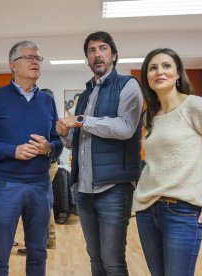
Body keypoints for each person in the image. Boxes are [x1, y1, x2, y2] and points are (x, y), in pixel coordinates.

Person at [133, 48, 202, 276]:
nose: (159, 71)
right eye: (153, 68)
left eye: (166, 66)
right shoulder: (150, 115)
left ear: (178, 73)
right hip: (147, 210)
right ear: (147, 78)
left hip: (182, 211)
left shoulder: (194, 106)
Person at [56, 31, 143, 275]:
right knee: (95, 259)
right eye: (92, 51)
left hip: (113, 189)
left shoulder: (128, 85)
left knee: (113, 262)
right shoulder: (85, 95)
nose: (97, 55)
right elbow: (75, 142)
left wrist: (81, 120)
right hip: (83, 190)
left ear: (114, 55)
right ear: (87, 59)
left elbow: (125, 128)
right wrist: (63, 131)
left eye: (103, 49)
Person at [0, 40, 63, 276]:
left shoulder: (47, 100)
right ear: (13, 65)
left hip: (40, 185)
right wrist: (13, 151)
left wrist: (48, 149)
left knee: (38, 253)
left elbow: (58, 142)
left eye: (38, 58)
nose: (35, 62)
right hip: (5, 186)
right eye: (29, 58)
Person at [17, 88, 61, 256]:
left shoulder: (48, 117)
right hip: (48, 165)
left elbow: (55, 142)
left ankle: (45, 241)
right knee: (42, 204)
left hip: (47, 166)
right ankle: (45, 240)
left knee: (41, 205)